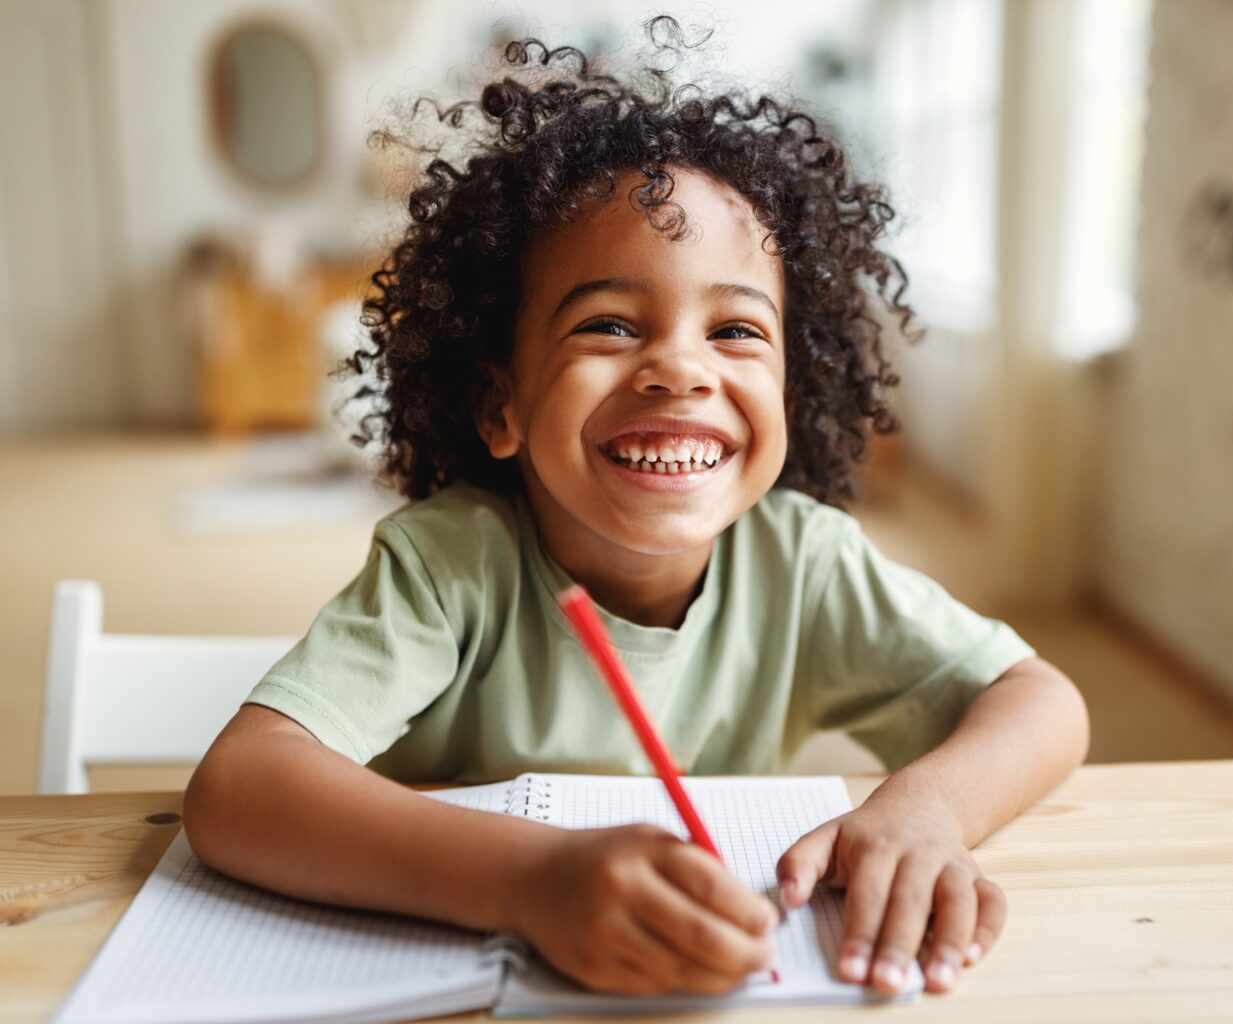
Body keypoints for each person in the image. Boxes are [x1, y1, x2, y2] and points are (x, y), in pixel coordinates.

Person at [183, 19, 1090, 1001]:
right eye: (610, 324)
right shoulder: (450, 566)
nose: (681, 369)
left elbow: (1043, 702)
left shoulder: (805, 562)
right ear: (500, 404)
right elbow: (237, 789)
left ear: (793, 388)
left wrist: (929, 808)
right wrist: (529, 878)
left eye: (737, 328)